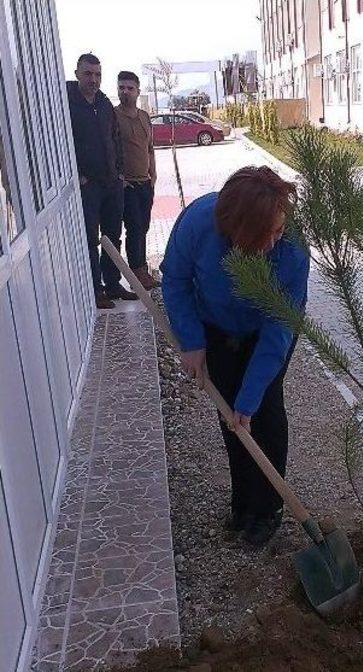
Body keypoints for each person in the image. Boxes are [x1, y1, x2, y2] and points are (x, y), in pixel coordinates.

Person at [161, 166, 309, 547]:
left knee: (263, 410)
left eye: (280, 230)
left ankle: (268, 509)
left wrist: (251, 394)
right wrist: (192, 341)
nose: (276, 241)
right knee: (230, 416)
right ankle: (243, 502)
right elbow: (174, 280)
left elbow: (280, 325)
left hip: (266, 332)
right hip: (216, 329)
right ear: (239, 230)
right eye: (267, 234)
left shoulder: (291, 249)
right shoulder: (198, 222)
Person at [67, 53, 137, 309]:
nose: (93, 79)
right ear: (77, 73)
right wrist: (79, 176)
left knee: (113, 236)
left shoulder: (104, 103)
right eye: (88, 73)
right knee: (89, 239)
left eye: (97, 74)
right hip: (88, 186)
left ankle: (113, 283)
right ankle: (96, 290)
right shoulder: (67, 103)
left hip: (111, 183)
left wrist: (119, 173)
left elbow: (115, 138)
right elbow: (62, 144)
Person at [115, 70, 158, 290]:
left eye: (130, 88)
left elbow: (150, 148)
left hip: (145, 183)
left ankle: (141, 265)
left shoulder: (144, 117)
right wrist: (119, 179)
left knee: (144, 227)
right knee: (134, 227)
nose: (125, 92)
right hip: (127, 185)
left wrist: (154, 175)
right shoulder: (113, 116)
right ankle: (137, 273)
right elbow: (109, 150)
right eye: (122, 87)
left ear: (138, 91)